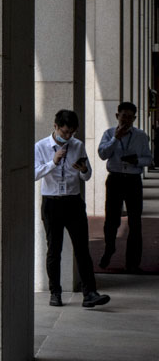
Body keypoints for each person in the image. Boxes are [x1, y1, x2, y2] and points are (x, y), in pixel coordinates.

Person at [34, 109, 110, 308]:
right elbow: (33, 173)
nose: (68, 136)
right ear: (56, 127)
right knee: (54, 249)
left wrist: (84, 170)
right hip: (51, 202)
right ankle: (55, 292)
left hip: (73, 201)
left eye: (71, 133)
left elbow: (87, 176)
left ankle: (90, 293)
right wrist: (53, 162)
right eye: (65, 132)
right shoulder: (41, 146)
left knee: (82, 249)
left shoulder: (78, 145)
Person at [98, 101, 154, 273]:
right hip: (115, 179)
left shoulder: (141, 136)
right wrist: (116, 138)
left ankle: (132, 262)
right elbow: (102, 154)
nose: (126, 120)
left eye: (130, 117)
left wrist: (136, 160)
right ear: (117, 116)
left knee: (135, 222)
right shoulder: (108, 133)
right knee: (111, 219)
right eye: (123, 116)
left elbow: (149, 159)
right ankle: (109, 248)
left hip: (133, 180)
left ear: (135, 119)